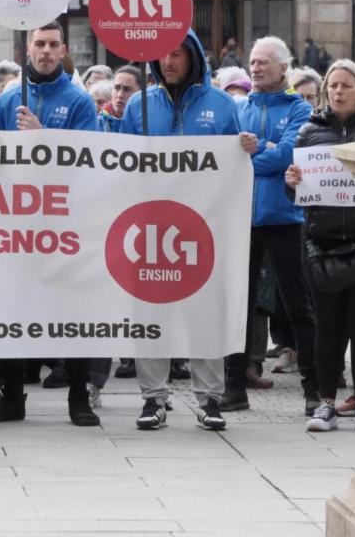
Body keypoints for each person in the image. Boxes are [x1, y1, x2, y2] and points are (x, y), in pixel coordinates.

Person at [0, 24, 100, 427]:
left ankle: (79, 397)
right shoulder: (9, 98)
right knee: (13, 308)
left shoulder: (80, 101)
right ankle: (13, 395)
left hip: (65, 222)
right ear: (28, 48)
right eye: (39, 44)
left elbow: (89, 159)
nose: (46, 51)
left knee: (75, 309)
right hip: (16, 222)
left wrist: (42, 138)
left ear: (63, 49)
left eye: (52, 45)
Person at [118, 30, 243, 432]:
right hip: (150, 230)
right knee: (150, 316)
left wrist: (247, 150)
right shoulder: (139, 105)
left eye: (175, 54)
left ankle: (209, 399)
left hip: (202, 232)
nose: (167, 61)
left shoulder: (222, 106)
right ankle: (154, 399)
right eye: (160, 55)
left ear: (192, 57)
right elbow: (120, 163)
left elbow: (236, 169)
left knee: (205, 314)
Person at [225, 37, 319, 417]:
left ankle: (315, 388)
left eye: (264, 62)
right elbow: (233, 157)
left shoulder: (299, 108)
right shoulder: (238, 106)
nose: (256, 67)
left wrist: (255, 152)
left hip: (284, 218)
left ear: (284, 69)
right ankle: (234, 386)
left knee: (298, 306)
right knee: (238, 305)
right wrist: (264, 152)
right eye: (253, 61)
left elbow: (287, 154)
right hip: (242, 219)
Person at [287, 59, 355, 434]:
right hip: (321, 242)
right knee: (327, 328)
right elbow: (298, 194)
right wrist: (292, 181)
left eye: (345, 86)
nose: (337, 92)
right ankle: (324, 403)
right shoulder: (308, 133)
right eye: (333, 86)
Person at [97, 65, 144, 132]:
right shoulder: (99, 123)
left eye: (127, 89)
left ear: (140, 92)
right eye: (117, 88)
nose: (120, 95)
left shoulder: (148, 123)